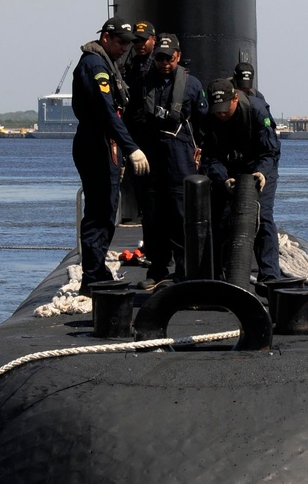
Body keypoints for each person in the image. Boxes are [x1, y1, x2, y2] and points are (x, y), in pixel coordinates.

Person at [71, 19, 150, 292]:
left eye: (128, 44)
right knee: (100, 212)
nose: (125, 48)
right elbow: (106, 113)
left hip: (104, 145)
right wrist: (133, 148)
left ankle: (96, 269)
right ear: (106, 37)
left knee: (104, 211)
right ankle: (92, 277)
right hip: (97, 145)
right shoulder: (95, 66)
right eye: (120, 42)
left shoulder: (106, 64)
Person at [131, 33, 208, 283]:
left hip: (179, 154)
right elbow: (133, 119)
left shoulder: (192, 85)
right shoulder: (143, 83)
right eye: (160, 57)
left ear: (178, 56)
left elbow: (202, 123)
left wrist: (202, 151)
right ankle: (158, 268)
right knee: (153, 213)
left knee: (179, 212)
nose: (165, 62)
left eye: (170, 58)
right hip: (151, 153)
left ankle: (184, 269)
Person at [200, 77, 281, 284]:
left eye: (225, 108)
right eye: (217, 110)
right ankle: (221, 274)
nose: (222, 114)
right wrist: (223, 178)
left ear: (235, 98)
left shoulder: (257, 111)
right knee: (222, 218)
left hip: (260, 167)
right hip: (229, 169)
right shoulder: (211, 118)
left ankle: (269, 277)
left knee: (261, 217)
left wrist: (261, 173)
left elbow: (270, 151)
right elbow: (210, 157)